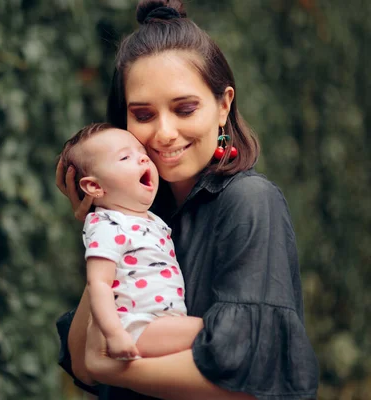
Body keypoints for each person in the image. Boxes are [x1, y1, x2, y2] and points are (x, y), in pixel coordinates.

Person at [54, 0, 320, 399]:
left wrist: (119, 369)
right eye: (142, 115)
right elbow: (84, 364)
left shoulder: (249, 202)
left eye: (184, 109)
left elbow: (249, 380)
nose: (163, 134)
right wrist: (107, 229)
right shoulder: (145, 217)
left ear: (223, 105)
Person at [58, 123, 204, 361]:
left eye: (143, 154)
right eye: (125, 157)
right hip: (137, 328)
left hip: (164, 323)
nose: (144, 160)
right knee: (215, 334)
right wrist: (114, 334)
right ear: (94, 186)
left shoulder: (150, 220)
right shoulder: (107, 224)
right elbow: (99, 284)